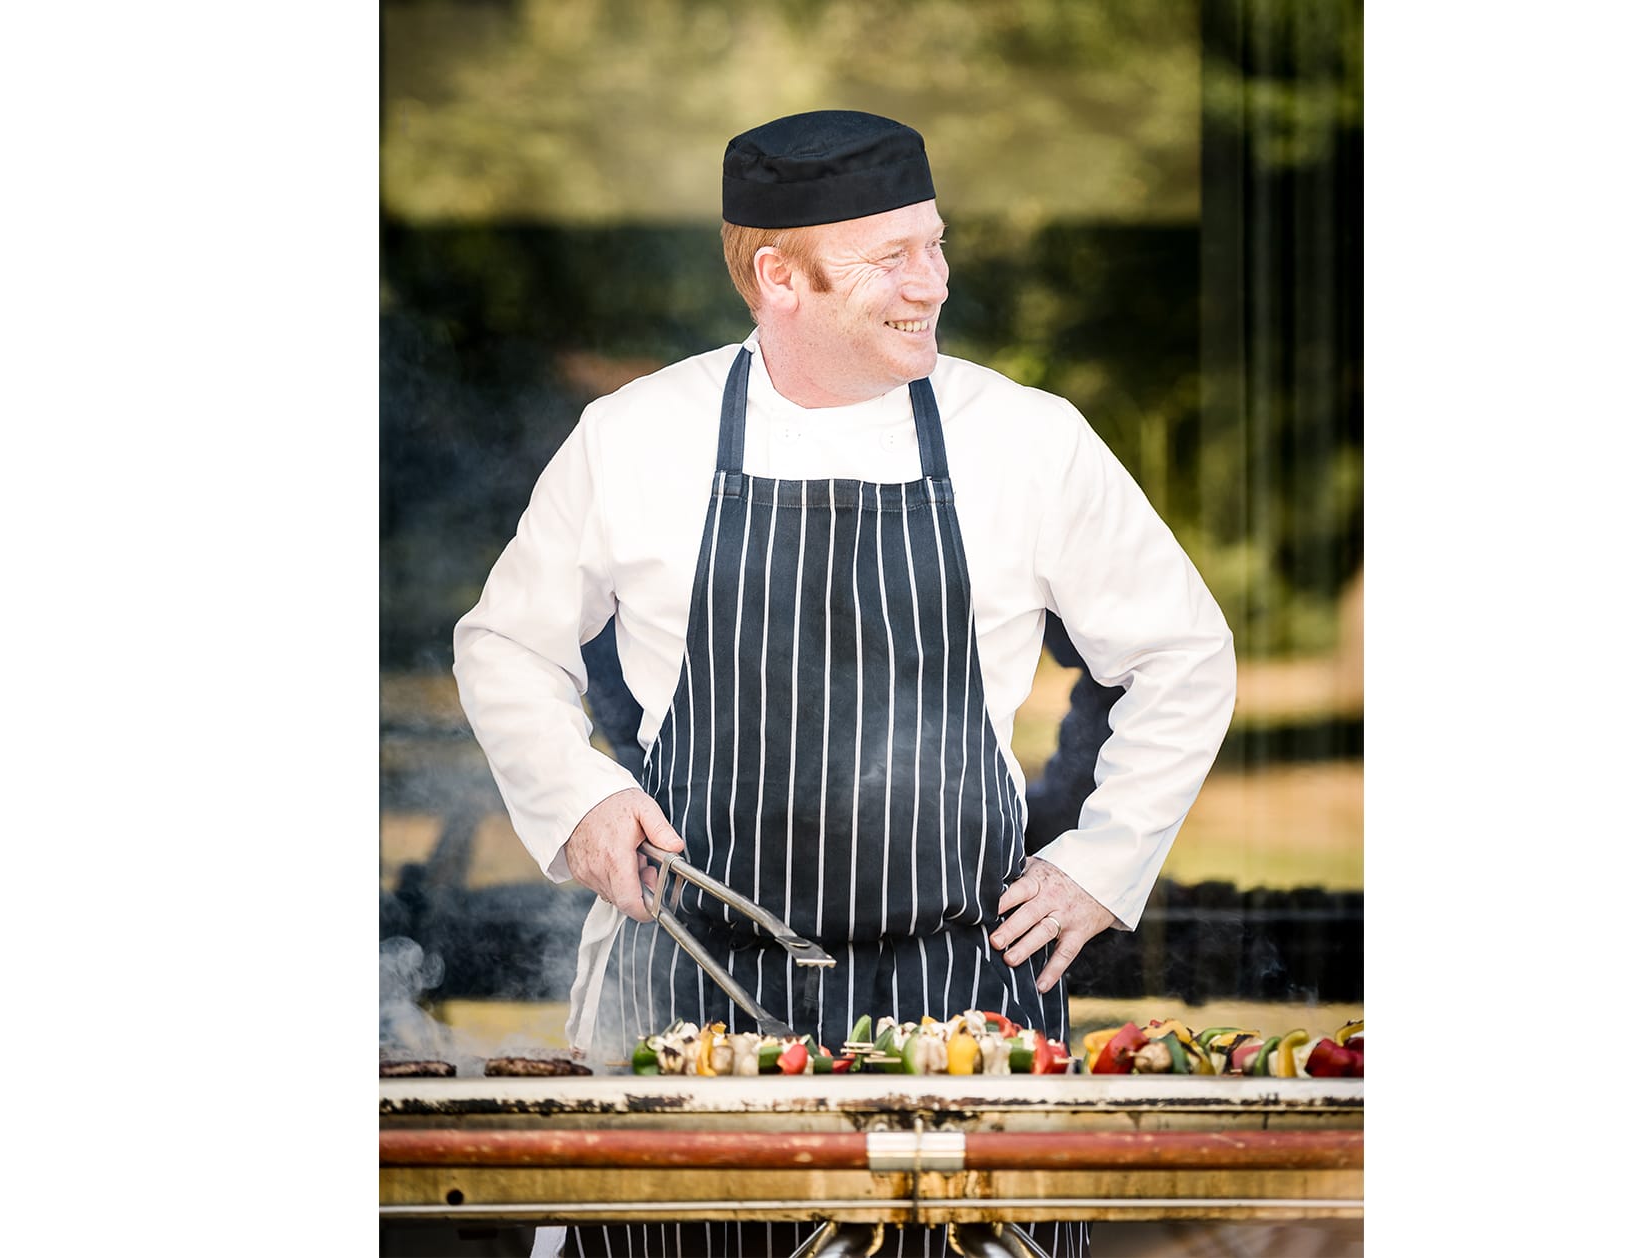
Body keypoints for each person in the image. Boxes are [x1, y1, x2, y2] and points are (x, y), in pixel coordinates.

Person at [453, 109, 1237, 1258]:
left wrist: (1102, 861)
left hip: (959, 1010)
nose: (935, 281)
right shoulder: (636, 438)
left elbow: (1181, 653)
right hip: (693, 1005)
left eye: (936, 242)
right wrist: (577, 797)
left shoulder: (1027, 440)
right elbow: (506, 643)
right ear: (779, 275)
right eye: (892, 256)